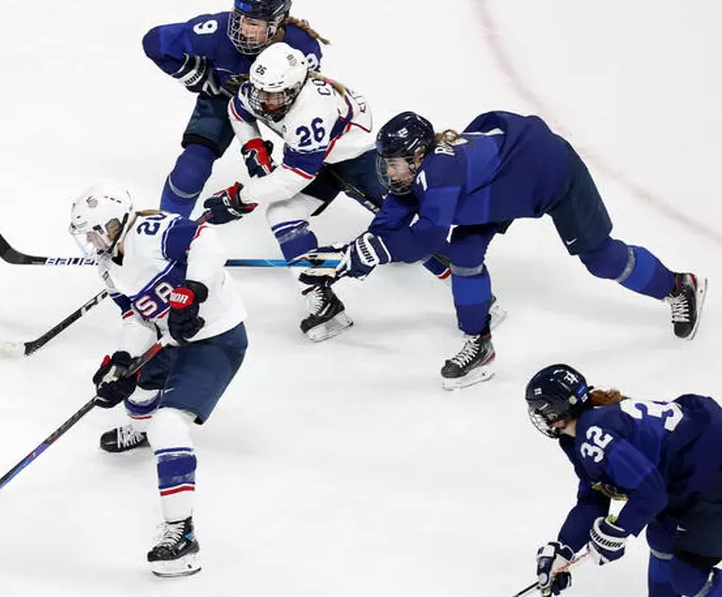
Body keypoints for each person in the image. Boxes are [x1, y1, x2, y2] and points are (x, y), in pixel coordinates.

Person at [301, 110, 706, 389]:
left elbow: (427, 239)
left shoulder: (440, 173)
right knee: (465, 255)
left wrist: (362, 254)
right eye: (386, 163)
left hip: (551, 175)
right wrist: (342, 261)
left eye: (394, 164)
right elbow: (386, 228)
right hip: (497, 189)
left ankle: (678, 286)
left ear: (419, 156)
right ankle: (479, 343)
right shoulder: (414, 174)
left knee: (601, 258)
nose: (388, 172)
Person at [199, 42, 492, 341]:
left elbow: (293, 178)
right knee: (282, 212)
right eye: (261, 92)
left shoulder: (311, 112)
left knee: (405, 231)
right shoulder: (264, 92)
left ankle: (476, 297)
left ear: (296, 88)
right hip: (321, 161)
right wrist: (253, 149)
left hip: (360, 161)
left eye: (274, 95)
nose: (265, 101)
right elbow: (238, 110)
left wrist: (242, 197)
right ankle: (321, 299)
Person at [69, 180, 247, 577]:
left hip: (215, 338)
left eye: (95, 232)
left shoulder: (149, 232)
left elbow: (205, 240)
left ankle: (182, 536)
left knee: (168, 425)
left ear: (116, 223)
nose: (91, 242)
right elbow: (137, 318)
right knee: (136, 389)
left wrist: (192, 291)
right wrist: (120, 363)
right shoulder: (107, 268)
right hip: (169, 338)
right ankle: (139, 431)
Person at [525, 364, 722, 596]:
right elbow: (593, 497)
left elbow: (651, 493)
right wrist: (565, 548)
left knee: (688, 577)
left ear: (556, 413)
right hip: (692, 475)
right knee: (661, 538)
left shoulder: (593, 434)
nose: (539, 418)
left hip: (711, 473)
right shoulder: (584, 431)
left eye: (541, 410)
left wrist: (619, 530)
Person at [142, 0, 327, 218]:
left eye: (253, 23)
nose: (242, 29)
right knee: (190, 171)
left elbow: (308, 103)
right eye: (239, 18)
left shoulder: (303, 47)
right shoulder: (217, 30)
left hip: (278, 107)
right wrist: (194, 74)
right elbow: (155, 42)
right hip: (225, 99)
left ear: (277, 22)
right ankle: (166, 229)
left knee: (321, 168)